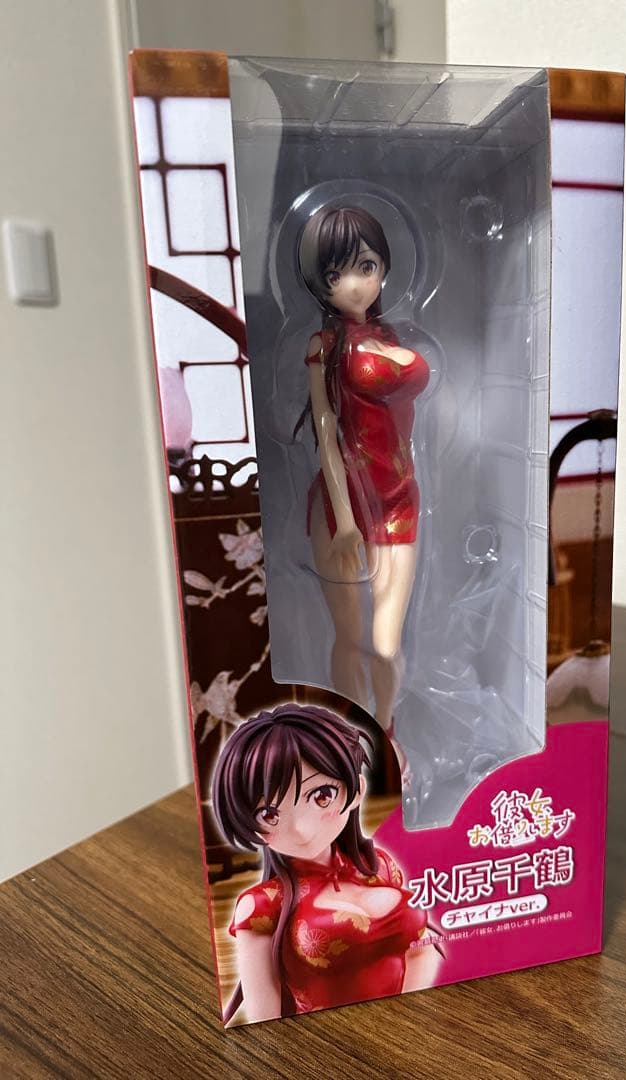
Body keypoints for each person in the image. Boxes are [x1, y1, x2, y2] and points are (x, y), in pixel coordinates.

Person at [293, 206, 430, 742]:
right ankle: (351, 736)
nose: (353, 284)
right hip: (342, 505)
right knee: (351, 638)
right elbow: (325, 433)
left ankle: (386, 731)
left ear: (384, 267)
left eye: (366, 267)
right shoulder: (324, 346)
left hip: (399, 497)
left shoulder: (389, 334)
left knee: (386, 644)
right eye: (336, 274)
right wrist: (346, 519)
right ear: (320, 283)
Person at [211, 704, 440, 1023]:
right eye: (269, 814)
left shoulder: (379, 865)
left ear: (356, 791)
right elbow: (264, 1017)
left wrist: (408, 1017)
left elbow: (422, 949)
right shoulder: (262, 905)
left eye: (322, 795)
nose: (301, 829)